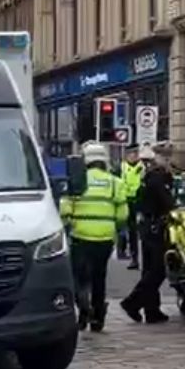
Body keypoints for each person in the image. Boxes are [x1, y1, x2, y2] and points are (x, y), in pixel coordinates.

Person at [60, 141, 128, 332]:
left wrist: (72, 222)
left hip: (81, 237)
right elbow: (122, 215)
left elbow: (64, 210)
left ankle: (83, 311)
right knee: (100, 277)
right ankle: (98, 318)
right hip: (105, 239)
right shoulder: (115, 183)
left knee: (80, 278)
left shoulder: (77, 180)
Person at [120, 145, 175, 324]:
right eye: (165, 158)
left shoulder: (149, 175)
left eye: (168, 158)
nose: (168, 162)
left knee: (149, 269)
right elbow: (168, 202)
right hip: (155, 227)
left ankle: (152, 310)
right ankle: (132, 303)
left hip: (147, 225)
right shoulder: (157, 178)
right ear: (158, 158)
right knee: (158, 271)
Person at [120, 144, 145, 269]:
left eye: (135, 153)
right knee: (129, 231)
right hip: (125, 202)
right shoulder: (122, 167)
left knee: (139, 232)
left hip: (139, 203)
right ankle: (128, 254)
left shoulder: (143, 167)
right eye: (131, 153)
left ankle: (138, 259)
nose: (133, 156)